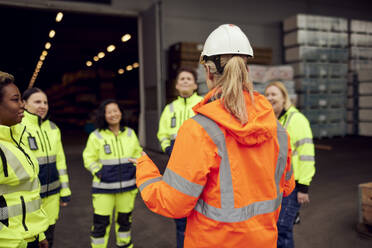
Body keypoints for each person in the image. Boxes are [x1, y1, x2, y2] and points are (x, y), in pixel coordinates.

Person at [131, 24, 295, 248]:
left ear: (207, 72)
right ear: (246, 70)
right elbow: (287, 186)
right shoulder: (278, 130)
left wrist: (144, 168)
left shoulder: (199, 129)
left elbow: (173, 203)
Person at [83, 99, 142, 248]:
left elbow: (138, 154)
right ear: (103, 115)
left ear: (121, 113)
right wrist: (99, 171)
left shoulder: (130, 133)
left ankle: (124, 245)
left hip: (127, 188)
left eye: (116, 110)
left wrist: (137, 170)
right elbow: (88, 158)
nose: (113, 114)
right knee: (100, 224)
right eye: (109, 112)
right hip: (104, 189)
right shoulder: (96, 136)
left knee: (124, 222)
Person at [0, 71, 49, 248]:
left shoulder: (17, 140)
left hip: (29, 238)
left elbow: (28, 194)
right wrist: (16, 243)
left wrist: (39, 234)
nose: (22, 105)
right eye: (15, 99)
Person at [264, 81, 316, 248]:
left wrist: (303, 187)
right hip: (273, 185)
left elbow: (306, 155)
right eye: (267, 94)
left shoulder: (297, 120)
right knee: (274, 229)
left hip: (292, 186)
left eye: (274, 94)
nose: (269, 98)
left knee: (282, 228)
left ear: (284, 97)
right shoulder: (270, 120)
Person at [157, 67, 203, 248]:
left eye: (188, 78)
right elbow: (162, 134)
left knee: (201, 211)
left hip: (200, 165)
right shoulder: (169, 109)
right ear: (176, 86)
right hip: (176, 168)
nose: (185, 81)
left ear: (195, 85)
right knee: (180, 212)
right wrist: (167, 148)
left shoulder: (203, 105)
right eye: (181, 79)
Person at [21, 87, 71, 248]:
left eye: (45, 102)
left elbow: (61, 162)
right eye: (37, 102)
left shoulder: (53, 128)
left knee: (49, 238)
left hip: (52, 196)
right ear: (24, 104)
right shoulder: (17, 127)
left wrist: (65, 191)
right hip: (30, 199)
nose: (43, 106)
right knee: (31, 239)